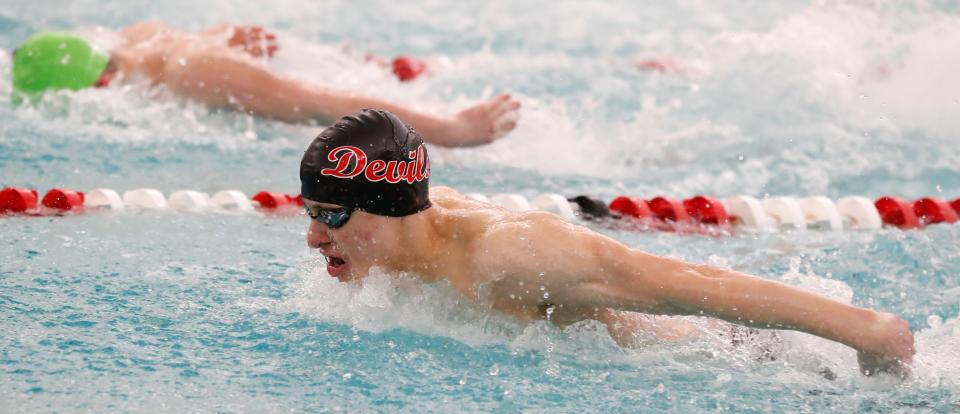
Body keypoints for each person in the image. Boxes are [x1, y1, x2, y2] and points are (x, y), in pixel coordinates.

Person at [299, 109, 916, 378]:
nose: (312, 237)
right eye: (310, 212)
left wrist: (866, 330)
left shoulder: (508, 257)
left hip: (745, 357)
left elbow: (692, 287)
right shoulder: (393, 242)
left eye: (330, 214)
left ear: (390, 209)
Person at [10, 23, 521, 147]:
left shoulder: (195, 75)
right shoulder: (132, 42)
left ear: (101, 85)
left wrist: (451, 129)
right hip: (259, 60)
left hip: (305, 77)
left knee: (306, 104)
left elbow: (327, 103)